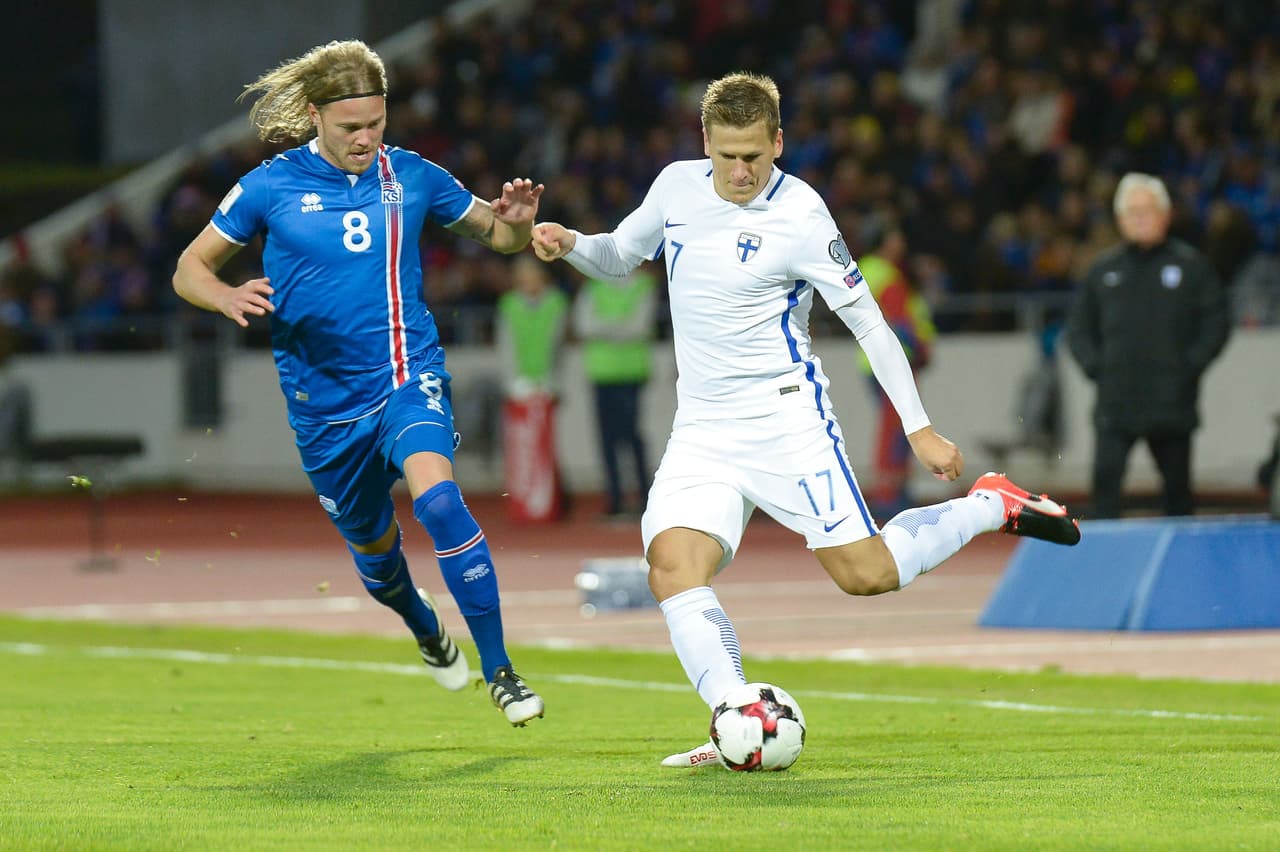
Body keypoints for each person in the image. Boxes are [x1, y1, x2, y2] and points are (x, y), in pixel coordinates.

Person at [531, 71, 1081, 767]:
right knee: (672, 565)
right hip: (702, 429)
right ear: (705, 142)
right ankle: (737, 714)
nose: (740, 171)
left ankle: (987, 506)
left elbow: (872, 325)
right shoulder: (675, 188)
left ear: (778, 143)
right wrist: (570, 242)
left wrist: (917, 426)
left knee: (867, 575)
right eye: (727, 155)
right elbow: (620, 256)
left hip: (786, 424)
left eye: (754, 156)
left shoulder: (803, 215)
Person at [172, 40, 544, 726]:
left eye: (376, 122)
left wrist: (516, 228)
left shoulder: (414, 176)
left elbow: (498, 236)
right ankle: (424, 627)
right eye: (351, 127)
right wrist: (223, 297)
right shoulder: (267, 187)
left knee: (439, 501)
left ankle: (502, 673)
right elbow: (189, 267)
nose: (367, 138)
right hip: (323, 411)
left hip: (406, 377)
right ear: (316, 117)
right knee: (379, 563)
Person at [1066, 173, 1231, 519]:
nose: (1140, 217)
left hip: (1171, 401)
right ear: (1120, 219)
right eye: (1131, 211)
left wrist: (1189, 366)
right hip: (1116, 402)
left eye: (1147, 209)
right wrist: (1097, 368)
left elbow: (1217, 320)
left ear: (1166, 214)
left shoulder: (1190, 266)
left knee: (1177, 496)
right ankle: (1105, 564)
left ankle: (1183, 566)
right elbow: (1078, 328)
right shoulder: (1103, 270)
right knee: (1105, 491)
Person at [855, 218, 936, 516]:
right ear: (884, 241)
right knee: (897, 429)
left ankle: (891, 491)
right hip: (895, 360)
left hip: (875, 360)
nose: (900, 242)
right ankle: (890, 496)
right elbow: (899, 319)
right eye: (895, 235)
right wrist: (919, 348)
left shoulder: (864, 269)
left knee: (894, 427)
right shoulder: (886, 274)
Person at [573, 264, 658, 520]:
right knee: (610, 440)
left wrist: (603, 327)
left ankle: (643, 497)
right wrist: (621, 327)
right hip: (604, 374)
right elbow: (583, 325)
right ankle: (617, 499)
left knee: (630, 437)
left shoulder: (642, 286)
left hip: (630, 374)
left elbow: (639, 327)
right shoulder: (595, 286)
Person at [495, 254, 569, 522]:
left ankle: (549, 504)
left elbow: (557, 345)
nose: (526, 280)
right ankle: (525, 504)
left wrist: (552, 382)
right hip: (519, 387)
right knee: (522, 448)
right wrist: (512, 382)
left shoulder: (555, 302)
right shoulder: (509, 304)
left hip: (546, 385)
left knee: (545, 447)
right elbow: (506, 345)